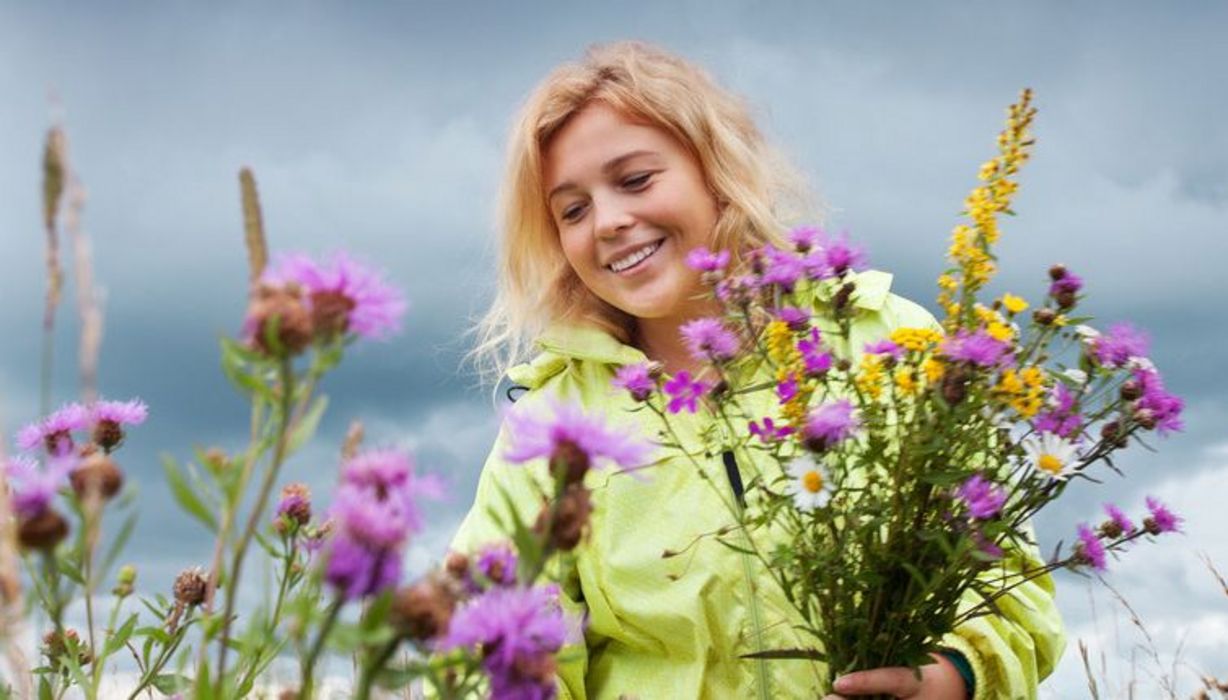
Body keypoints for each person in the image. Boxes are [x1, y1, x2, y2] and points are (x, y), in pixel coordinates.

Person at [452, 41, 1065, 699]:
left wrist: (951, 679)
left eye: (635, 180)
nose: (609, 222)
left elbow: (1008, 587)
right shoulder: (552, 426)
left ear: (716, 171)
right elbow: (492, 656)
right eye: (572, 210)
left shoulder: (886, 337)